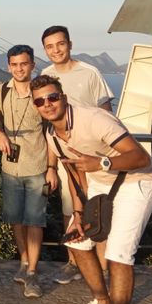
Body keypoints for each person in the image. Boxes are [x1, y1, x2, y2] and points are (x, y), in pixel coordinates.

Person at [31, 74, 152, 304]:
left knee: (118, 255)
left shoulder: (96, 119)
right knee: (77, 241)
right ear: (36, 106)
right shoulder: (53, 136)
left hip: (136, 181)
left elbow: (141, 157)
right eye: (41, 101)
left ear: (63, 97)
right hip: (101, 183)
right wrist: (78, 213)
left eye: (53, 97)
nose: (48, 104)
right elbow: (77, 175)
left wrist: (102, 161)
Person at [41, 25, 115, 285]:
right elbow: (47, 127)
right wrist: (51, 165)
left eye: (60, 44)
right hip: (64, 156)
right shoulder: (45, 75)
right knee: (70, 208)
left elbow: (107, 112)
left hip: (94, 154)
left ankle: (102, 268)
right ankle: (74, 262)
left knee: (100, 209)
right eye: (50, 46)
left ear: (69, 44)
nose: (56, 50)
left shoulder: (90, 72)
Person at [0, 45, 57, 298]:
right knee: (16, 219)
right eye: (15, 64)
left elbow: (52, 133)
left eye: (24, 64)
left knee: (35, 221)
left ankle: (32, 273)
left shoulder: (41, 93)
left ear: (32, 65)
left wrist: (52, 167)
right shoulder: (1, 91)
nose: (19, 68)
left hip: (37, 166)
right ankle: (24, 262)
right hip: (10, 168)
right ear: (8, 66)